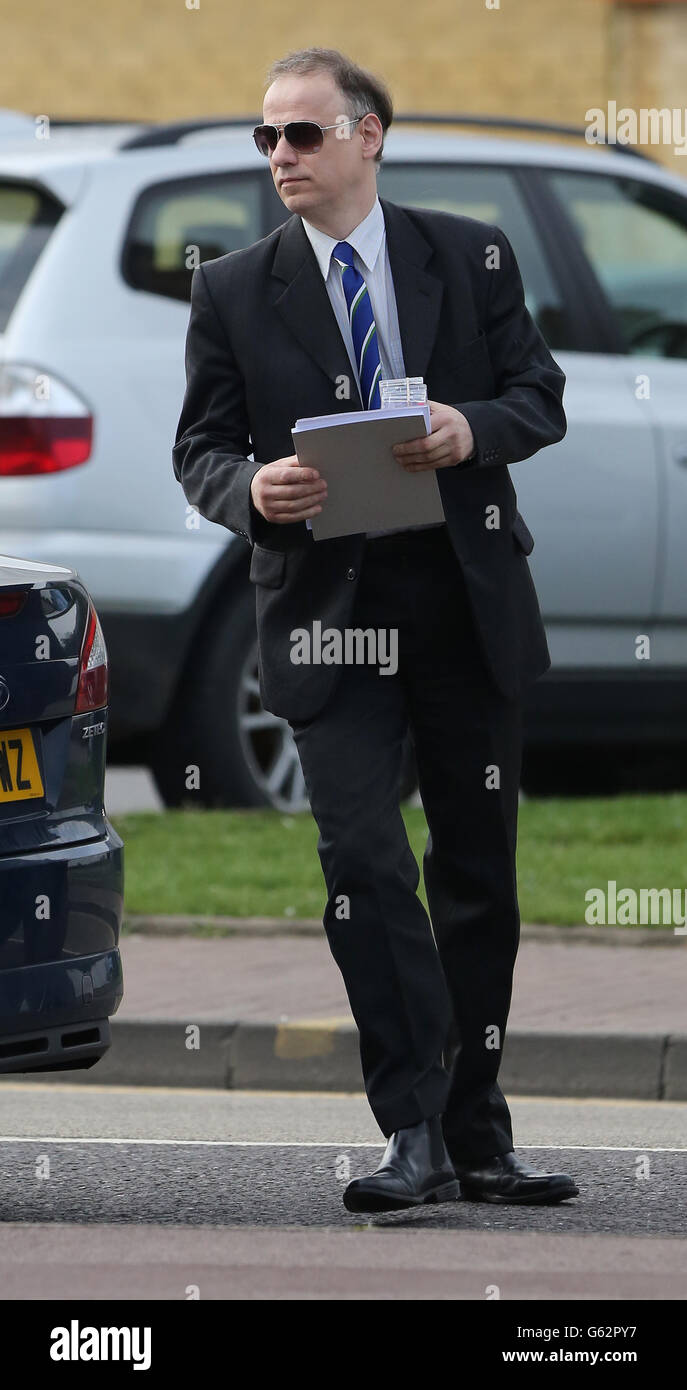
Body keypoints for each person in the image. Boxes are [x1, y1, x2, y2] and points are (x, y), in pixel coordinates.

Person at [173, 46, 579, 1213]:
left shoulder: (468, 251)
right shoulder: (233, 288)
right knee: (362, 859)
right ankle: (412, 1124)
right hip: (326, 614)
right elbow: (198, 449)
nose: (281, 157)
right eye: (267, 138)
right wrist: (251, 491)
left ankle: (478, 1130)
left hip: (461, 601)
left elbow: (538, 394)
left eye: (302, 134)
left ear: (368, 136)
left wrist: (468, 428)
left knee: (477, 873)